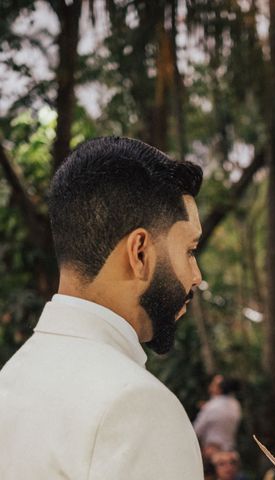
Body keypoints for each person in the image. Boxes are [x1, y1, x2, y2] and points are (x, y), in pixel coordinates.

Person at [0, 137, 205, 479]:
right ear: (139, 252)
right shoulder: (136, 407)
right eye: (189, 251)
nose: (197, 276)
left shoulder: (12, 379)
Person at [193, 374, 243, 458]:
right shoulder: (236, 405)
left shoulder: (211, 406)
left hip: (212, 451)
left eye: (213, 384)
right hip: (229, 450)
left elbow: (197, 430)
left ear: (220, 388)